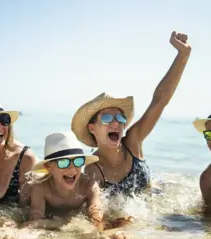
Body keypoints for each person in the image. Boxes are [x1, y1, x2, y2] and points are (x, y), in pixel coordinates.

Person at [71, 31, 191, 195]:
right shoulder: (93, 169)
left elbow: (159, 102)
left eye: (120, 118)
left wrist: (183, 55)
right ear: (92, 128)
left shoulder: (133, 142)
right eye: (107, 118)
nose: (116, 123)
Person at [25, 132, 132, 239]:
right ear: (48, 167)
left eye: (78, 161)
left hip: (67, 218)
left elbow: (96, 214)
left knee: (127, 221)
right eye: (63, 162)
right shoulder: (41, 188)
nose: (72, 168)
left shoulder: (88, 185)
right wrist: (63, 223)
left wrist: (101, 234)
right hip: (58, 218)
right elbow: (35, 222)